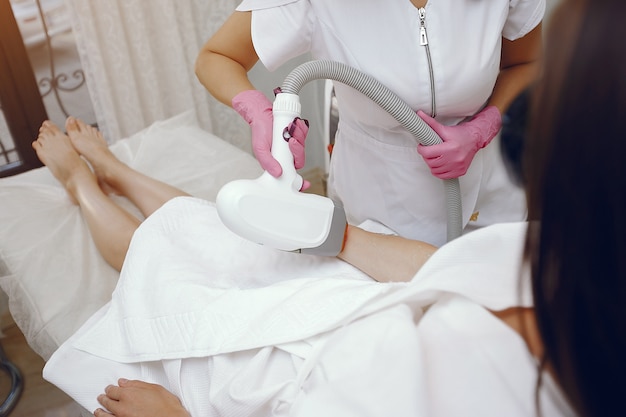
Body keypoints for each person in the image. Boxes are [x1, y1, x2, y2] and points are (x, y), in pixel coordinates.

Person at [34, 0, 626, 413]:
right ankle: (115, 170)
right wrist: (328, 228)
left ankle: (85, 183)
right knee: (225, 233)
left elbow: (527, 58)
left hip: (304, 356)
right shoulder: (530, 266)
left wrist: (484, 125)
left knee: (173, 260)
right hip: (372, 265)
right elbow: (454, 271)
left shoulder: (481, 371)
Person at [194, 0, 545, 247]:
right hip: (383, 203)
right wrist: (260, 112)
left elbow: (525, 63)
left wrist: (482, 128)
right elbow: (217, 58)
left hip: (492, 190)